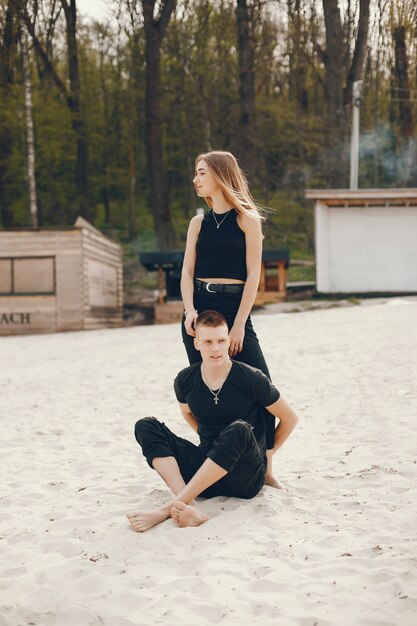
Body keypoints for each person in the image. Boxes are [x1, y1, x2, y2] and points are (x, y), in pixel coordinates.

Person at [127, 310, 299, 533]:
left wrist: (266, 454)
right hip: (206, 472)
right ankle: (190, 504)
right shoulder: (185, 380)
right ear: (197, 343)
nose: (216, 348)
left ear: (229, 340)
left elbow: (290, 418)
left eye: (221, 340)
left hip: (244, 476)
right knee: (146, 425)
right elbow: (187, 413)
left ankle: (169, 508)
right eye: (208, 342)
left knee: (238, 430)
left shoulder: (251, 377)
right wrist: (211, 443)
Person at [180, 150, 277, 459]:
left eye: (201, 173)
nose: (195, 179)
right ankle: (214, 452)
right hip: (199, 310)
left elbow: (253, 275)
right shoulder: (197, 223)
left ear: (221, 175)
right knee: (205, 388)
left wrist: (238, 324)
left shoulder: (248, 220)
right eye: (196, 173)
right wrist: (189, 311)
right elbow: (186, 271)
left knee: (262, 386)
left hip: (235, 310)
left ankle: (268, 465)